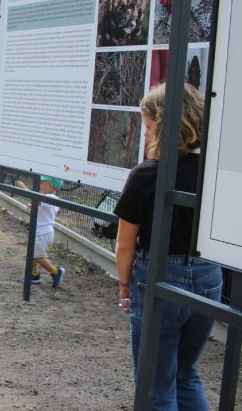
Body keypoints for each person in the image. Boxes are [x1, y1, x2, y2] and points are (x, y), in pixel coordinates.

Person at [114, 83, 222, 409]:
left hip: (160, 276)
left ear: (166, 125)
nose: (146, 135)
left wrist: (123, 287)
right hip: (209, 277)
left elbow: (124, 245)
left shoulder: (148, 175)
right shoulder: (213, 173)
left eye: (148, 127)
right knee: (187, 374)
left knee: (155, 386)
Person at [15, 176, 65, 286]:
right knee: (32, 252)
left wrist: (23, 187)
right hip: (40, 231)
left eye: (43, 182)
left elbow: (36, 198)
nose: (40, 184)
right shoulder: (47, 198)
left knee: (37, 255)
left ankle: (56, 272)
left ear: (51, 185)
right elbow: (39, 204)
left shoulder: (51, 197)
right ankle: (34, 274)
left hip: (43, 232)